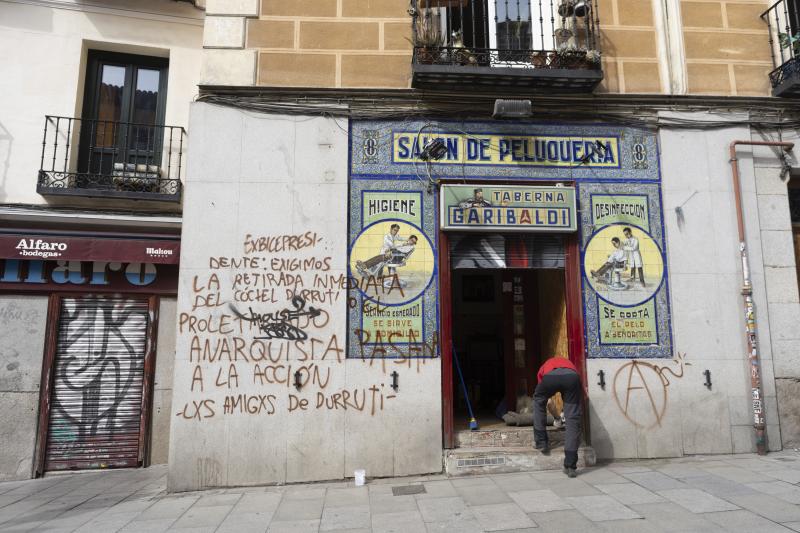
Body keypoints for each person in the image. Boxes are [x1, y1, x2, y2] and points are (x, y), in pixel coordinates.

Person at [533, 357, 582, 478]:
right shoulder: (570, 365)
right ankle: (570, 466)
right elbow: (578, 389)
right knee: (572, 418)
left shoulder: (545, 366)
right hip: (572, 378)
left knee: (538, 401)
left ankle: (541, 442)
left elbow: (546, 401)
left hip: (550, 377)